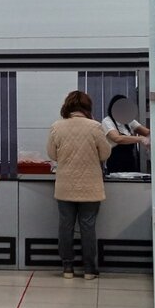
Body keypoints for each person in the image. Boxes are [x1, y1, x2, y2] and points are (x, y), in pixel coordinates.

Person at [47, 90, 112, 280]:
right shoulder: (95, 126)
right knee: (88, 226)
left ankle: (67, 268)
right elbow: (105, 153)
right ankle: (89, 269)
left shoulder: (57, 127)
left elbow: (52, 154)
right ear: (87, 107)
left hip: (65, 185)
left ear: (67, 106)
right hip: (90, 186)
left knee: (65, 226)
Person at [101, 95, 150, 174]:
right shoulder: (107, 121)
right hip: (114, 161)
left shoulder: (129, 121)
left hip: (129, 160)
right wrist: (140, 139)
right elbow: (117, 138)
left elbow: (147, 132)